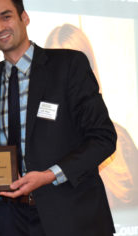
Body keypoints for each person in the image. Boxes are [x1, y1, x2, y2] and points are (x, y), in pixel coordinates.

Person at [0, 1, 117, 236]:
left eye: (5, 17)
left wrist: (49, 175)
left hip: (67, 218)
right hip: (9, 223)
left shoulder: (69, 65)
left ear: (25, 18)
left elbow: (103, 138)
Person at [44, 23, 138, 209]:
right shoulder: (35, 143)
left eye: (74, 68)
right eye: (56, 69)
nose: (65, 78)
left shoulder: (121, 141)